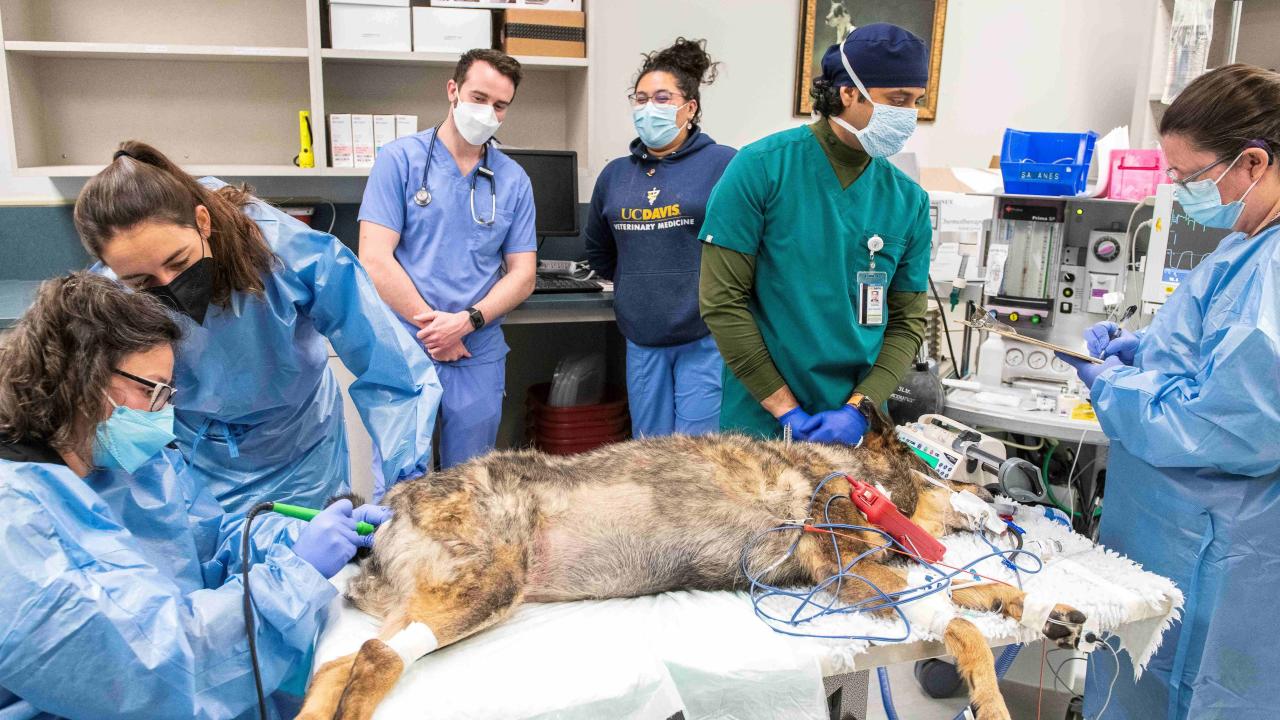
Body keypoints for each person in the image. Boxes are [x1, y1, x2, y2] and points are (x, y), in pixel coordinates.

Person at [0, 273, 391, 719]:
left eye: (168, 392)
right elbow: (153, 668)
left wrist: (301, 536)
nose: (163, 409)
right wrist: (297, 575)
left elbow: (211, 542)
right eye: (153, 390)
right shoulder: (15, 526)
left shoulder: (131, 466)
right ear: (84, 377)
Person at [1056, 64, 1280, 719]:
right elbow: (1212, 360)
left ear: (1252, 163)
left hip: (1218, 545)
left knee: (1190, 691)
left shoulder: (1271, 268)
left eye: (1188, 176)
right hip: (1180, 529)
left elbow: (1238, 424)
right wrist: (1145, 355)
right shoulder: (1246, 242)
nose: (1178, 192)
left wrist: (1120, 390)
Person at [74, 142, 441, 511]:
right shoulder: (110, 291)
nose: (170, 284)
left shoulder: (291, 254)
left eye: (179, 261)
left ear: (202, 221)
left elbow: (393, 373)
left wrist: (406, 480)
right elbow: (94, 408)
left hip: (299, 453)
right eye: (142, 281)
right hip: (190, 455)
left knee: (308, 558)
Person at [699, 23, 932, 443]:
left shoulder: (907, 200)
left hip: (856, 428)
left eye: (916, 101)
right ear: (848, 93)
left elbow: (906, 323)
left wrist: (860, 410)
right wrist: (785, 409)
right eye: (897, 101)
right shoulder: (761, 168)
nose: (909, 115)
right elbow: (722, 303)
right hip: (762, 421)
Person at [359, 48, 537, 471]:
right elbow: (374, 258)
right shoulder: (399, 160)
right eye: (478, 98)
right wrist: (436, 329)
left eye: (499, 106)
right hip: (407, 342)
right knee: (401, 485)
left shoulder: (512, 178)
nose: (488, 113)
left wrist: (465, 323)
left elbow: (523, 274)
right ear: (453, 90)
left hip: (476, 347)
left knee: (469, 488)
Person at [584, 38, 735, 437]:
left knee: (698, 459)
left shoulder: (725, 164)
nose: (649, 107)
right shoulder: (616, 174)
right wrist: (640, 284)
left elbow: (750, 245)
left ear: (690, 108)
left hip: (704, 335)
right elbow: (599, 250)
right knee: (648, 455)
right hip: (643, 335)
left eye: (662, 97)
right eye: (641, 98)